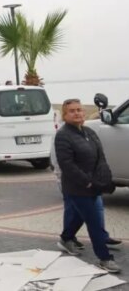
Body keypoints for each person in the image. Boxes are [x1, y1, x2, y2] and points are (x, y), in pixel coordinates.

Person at [54, 98, 120, 273]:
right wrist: (87, 182)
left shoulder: (89, 132)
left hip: (94, 184)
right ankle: (104, 258)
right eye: (72, 111)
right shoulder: (63, 136)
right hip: (78, 187)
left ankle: (66, 238)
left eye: (79, 110)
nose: (77, 113)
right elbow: (67, 165)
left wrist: (104, 177)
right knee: (94, 222)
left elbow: (100, 156)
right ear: (65, 115)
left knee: (80, 216)